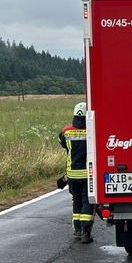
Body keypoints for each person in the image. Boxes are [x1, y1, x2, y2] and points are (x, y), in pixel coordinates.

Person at [59, 102, 94, 242]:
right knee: (87, 201)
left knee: (76, 200)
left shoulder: (66, 131)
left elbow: (62, 144)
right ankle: (86, 233)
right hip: (87, 174)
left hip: (72, 174)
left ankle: (77, 230)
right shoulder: (91, 131)